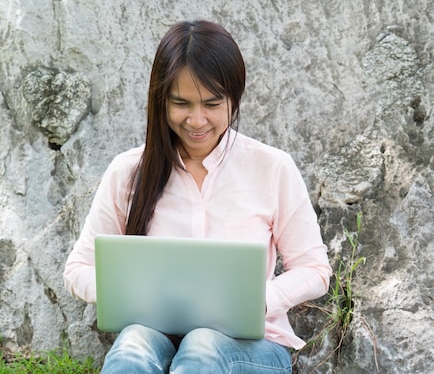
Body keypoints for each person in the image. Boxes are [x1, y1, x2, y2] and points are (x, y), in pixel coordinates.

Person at [63, 20, 331, 373]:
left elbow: (314, 269)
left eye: (211, 103)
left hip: (252, 347)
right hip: (155, 335)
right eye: (181, 103)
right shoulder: (127, 171)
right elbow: (78, 269)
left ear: (233, 99)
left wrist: (259, 300)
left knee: (201, 345)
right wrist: (125, 293)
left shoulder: (272, 168)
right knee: (131, 346)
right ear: (161, 101)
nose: (197, 120)